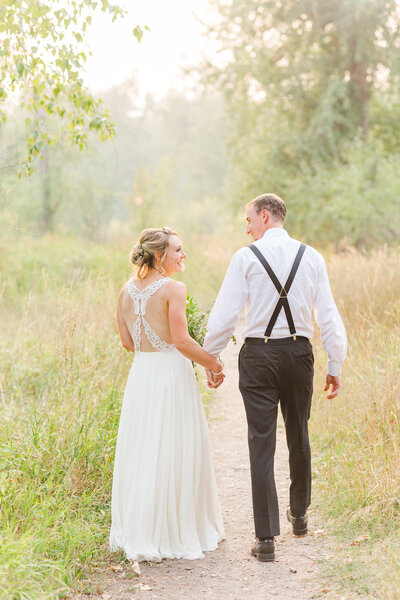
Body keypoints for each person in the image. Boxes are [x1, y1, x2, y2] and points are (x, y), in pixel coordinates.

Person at [203, 194, 347, 562]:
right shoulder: (312, 257)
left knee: (261, 440)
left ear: (265, 216)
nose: (246, 227)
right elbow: (327, 314)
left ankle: (265, 539)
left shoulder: (245, 258)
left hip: (259, 355)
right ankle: (299, 514)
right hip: (299, 354)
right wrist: (335, 363)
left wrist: (211, 356)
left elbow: (226, 312)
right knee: (299, 432)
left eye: (249, 219)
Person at [110, 227, 225, 562]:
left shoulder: (125, 291)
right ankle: (175, 529)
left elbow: (127, 342)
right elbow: (182, 341)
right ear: (159, 256)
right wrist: (213, 363)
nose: (183, 255)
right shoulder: (174, 289)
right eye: (178, 250)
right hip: (171, 377)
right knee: (176, 448)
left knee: (144, 449)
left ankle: (143, 529)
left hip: (142, 376)